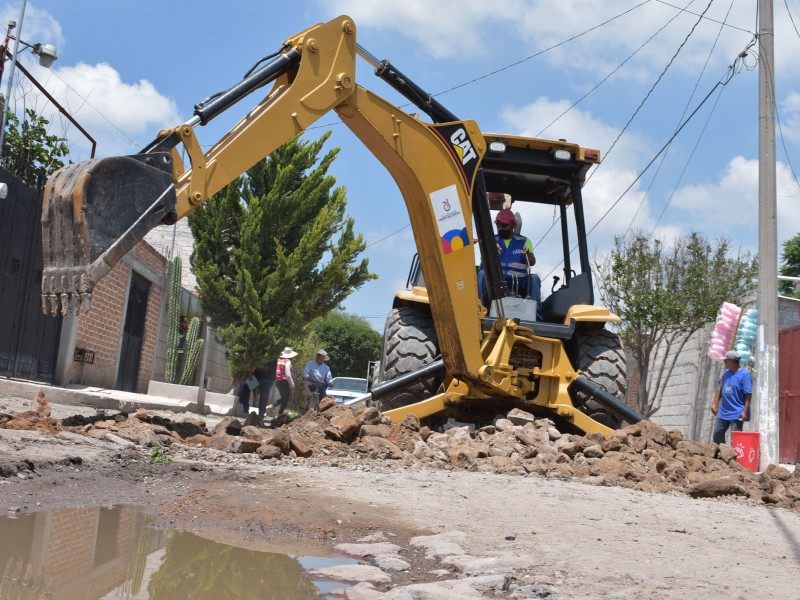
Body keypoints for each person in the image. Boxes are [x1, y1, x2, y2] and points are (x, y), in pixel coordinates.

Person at [479, 208, 542, 318]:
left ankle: (536, 315)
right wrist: (491, 252)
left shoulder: (524, 241)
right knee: (481, 274)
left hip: (520, 282)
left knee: (534, 278)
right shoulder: (491, 240)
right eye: (498, 224)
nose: (500, 228)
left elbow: (532, 262)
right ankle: (485, 309)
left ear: (513, 225)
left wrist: (528, 254)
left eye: (504, 225)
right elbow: (483, 262)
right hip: (497, 281)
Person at [711, 350, 752, 445]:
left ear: (732, 361)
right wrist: (714, 403)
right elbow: (721, 388)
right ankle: (720, 456)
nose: (724, 362)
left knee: (736, 438)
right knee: (717, 434)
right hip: (724, 411)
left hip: (737, 411)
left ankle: (734, 457)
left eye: (726, 360)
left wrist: (745, 411)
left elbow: (748, 394)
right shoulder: (726, 373)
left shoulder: (745, 374)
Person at [269, 346, 297, 417]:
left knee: (284, 397)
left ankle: (274, 408)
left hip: (278, 381)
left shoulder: (278, 360)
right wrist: (292, 384)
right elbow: (288, 374)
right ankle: (277, 412)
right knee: (286, 398)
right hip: (284, 381)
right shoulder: (288, 362)